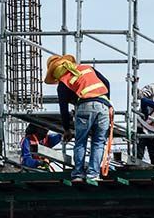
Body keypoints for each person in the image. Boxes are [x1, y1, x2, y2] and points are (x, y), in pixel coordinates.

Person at [44, 54, 114, 182]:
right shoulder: (87, 68)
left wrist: (66, 130)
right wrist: (106, 102)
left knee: (81, 141)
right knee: (98, 142)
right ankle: (93, 174)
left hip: (85, 107)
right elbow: (107, 83)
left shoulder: (63, 82)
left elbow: (63, 109)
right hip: (104, 106)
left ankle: (78, 175)